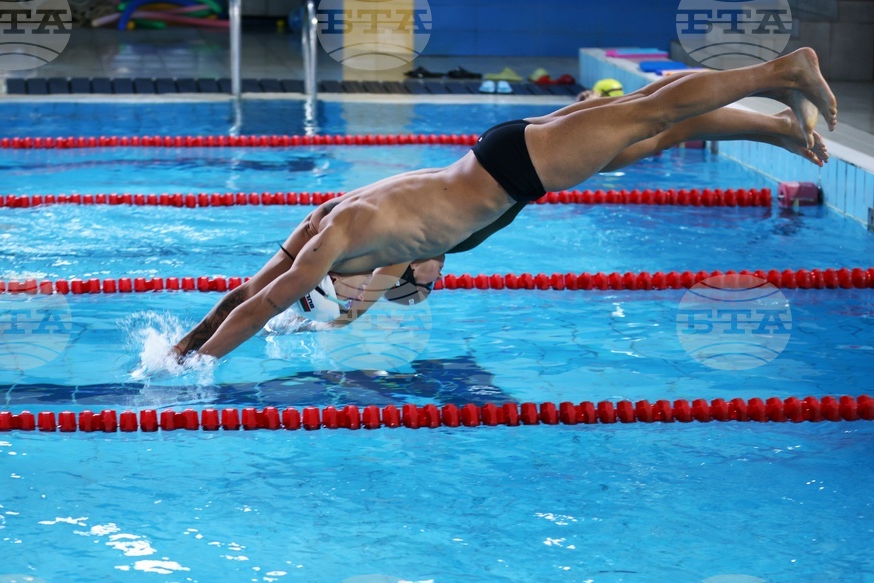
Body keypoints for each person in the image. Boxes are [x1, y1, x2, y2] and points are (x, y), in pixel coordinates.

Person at [173, 47, 836, 361]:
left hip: (511, 169)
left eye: (334, 293)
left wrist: (200, 369)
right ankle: (775, 126)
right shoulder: (333, 228)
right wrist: (182, 348)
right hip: (504, 163)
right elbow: (249, 292)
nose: (350, 297)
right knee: (652, 131)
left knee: (649, 110)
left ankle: (782, 73)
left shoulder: (337, 240)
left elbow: (267, 301)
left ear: (328, 278)